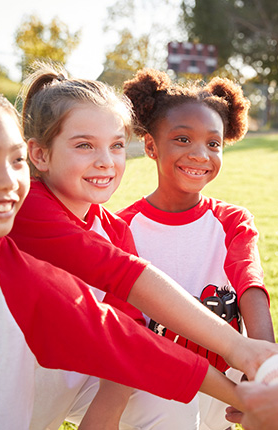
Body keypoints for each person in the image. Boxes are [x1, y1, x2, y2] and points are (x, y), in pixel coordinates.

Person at [0, 76, 257, 429]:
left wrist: (108, 409)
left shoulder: (115, 229)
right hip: (17, 377)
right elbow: (121, 276)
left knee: (162, 400)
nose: (106, 161)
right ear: (41, 154)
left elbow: (125, 332)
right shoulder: (26, 210)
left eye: (116, 146)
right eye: (84, 145)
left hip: (74, 377)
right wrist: (241, 352)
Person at [117, 68, 275, 430]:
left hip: (225, 376)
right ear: (151, 146)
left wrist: (265, 368)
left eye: (213, 143)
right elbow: (127, 328)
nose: (201, 154)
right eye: (183, 139)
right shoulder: (122, 228)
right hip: (156, 384)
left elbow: (250, 285)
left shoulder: (231, 220)